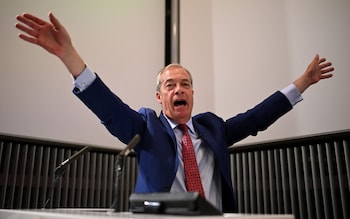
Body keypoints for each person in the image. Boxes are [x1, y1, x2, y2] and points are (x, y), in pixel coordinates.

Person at [15, 12, 334, 213]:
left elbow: (257, 117)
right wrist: (68, 54)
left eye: (185, 84)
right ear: (159, 96)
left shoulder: (214, 128)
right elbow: (108, 106)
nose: (178, 89)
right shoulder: (146, 127)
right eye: (170, 85)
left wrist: (302, 82)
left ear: (193, 94)